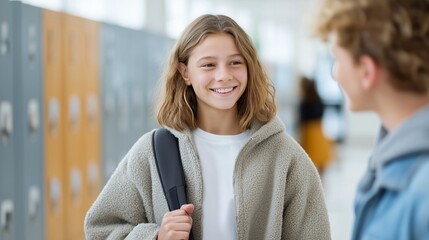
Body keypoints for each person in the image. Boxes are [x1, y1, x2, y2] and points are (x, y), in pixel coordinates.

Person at [85, 14, 331, 240]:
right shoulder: (152, 152)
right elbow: (100, 230)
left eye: (235, 62)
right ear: (185, 73)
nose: (223, 75)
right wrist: (156, 236)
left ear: (249, 68)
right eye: (208, 65)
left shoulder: (285, 156)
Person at [313, 0, 429, 239]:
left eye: (336, 58)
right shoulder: (392, 157)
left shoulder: (422, 191)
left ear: (366, 71)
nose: (334, 73)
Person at [298, 76, 333, 178]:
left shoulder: (304, 103)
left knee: (308, 162)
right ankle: (321, 184)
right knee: (322, 162)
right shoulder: (319, 100)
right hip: (319, 132)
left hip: (309, 134)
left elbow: (302, 123)